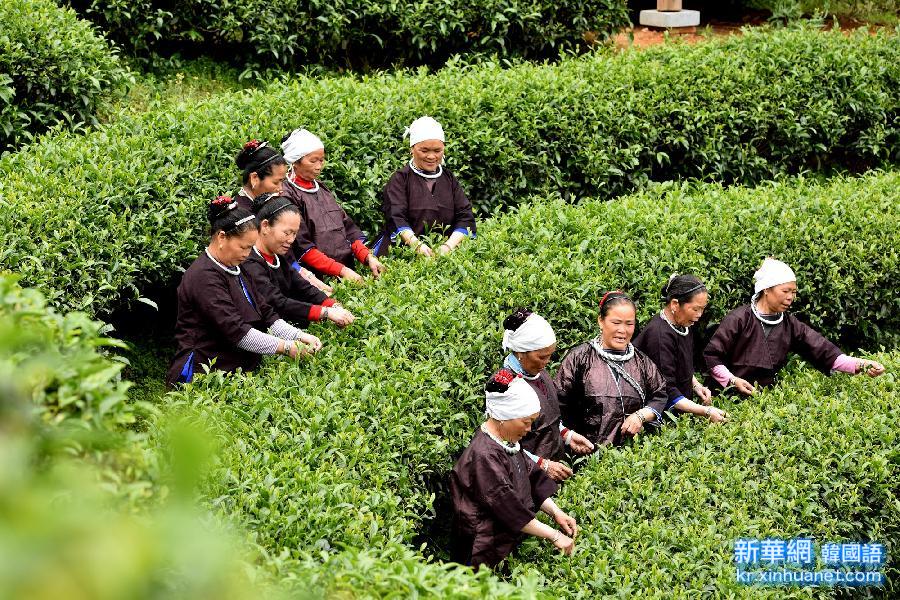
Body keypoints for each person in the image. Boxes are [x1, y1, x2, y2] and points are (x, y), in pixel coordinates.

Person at [166, 196, 322, 388]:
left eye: (250, 247)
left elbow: (267, 314)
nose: (248, 254)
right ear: (222, 237)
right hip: (205, 373)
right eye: (244, 247)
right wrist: (287, 347)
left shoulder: (239, 267)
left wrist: (298, 336)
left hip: (239, 369)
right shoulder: (203, 277)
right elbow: (237, 332)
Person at [450, 369, 578, 570]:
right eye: (526, 422)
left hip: (508, 540)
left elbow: (533, 479)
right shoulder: (484, 456)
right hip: (483, 549)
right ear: (504, 416)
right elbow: (508, 508)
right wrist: (554, 536)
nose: (528, 429)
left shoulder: (507, 443)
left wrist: (556, 512)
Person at [704, 258, 885, 395]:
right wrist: (733, 381)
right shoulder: (738, 319)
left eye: (793, 292)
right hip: (726, 396)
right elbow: (712, 356)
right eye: (785, 291)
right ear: (766, 289)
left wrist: (862, 364)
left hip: (763, 399)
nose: (791, 297)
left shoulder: (790, 324)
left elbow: (824, 352)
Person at [555, 291, 668, 447]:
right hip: (586, 453)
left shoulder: (642, 362)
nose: (623, 330)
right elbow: (558, 403)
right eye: (616, 323)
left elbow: (660, 395)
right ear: (601, 321)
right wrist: (569, 436)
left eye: (629, 324)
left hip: (633, 455)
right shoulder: (578, 358)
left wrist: (640, 416)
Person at [501, 308, 595, 481]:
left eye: (549, 356)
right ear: (521, 352)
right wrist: (541, 465)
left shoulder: (540, 374)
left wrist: (567, 436)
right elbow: (502, 445)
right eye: (542, 357)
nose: (546, 363)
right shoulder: (504, 386)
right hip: (524, 478)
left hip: (551, 471)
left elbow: (548, 418)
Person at [280, 128, 385, 282]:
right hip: (316, 278)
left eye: (321, 160)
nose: (319, 166)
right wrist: (342, 271)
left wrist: (368, 257)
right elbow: (302, 245)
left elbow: (347, 227)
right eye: (313, 160)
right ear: (295, 161)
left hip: (346, 272)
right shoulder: (287, 193)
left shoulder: (321, 187)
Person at [242, 193, 355, 329]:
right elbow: (277, 301)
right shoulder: (250, 262)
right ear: (265, 226)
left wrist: (333, 305)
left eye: (294, 233)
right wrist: (325, 312)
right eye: (287, 233)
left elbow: (303, 286)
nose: (291, 240)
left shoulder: (278, 257)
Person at [234, 139, 332, 295]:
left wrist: (309, 278)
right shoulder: (241, 217)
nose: (281, 189)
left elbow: (288, 259)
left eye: (283, 182)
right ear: (254, 178)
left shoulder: (269, 204)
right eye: (276, 182)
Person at [372, 116, 476, 257]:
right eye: (424, 150)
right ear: (412, 149)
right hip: (402, 253)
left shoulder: (449, 179)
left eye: (437, 150)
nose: (432, 156)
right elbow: (396, 217)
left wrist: (448, 247)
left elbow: (465, 216)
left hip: (444, 252)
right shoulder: (400, 179)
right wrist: (417, 245)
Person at [633, 275, 728, 423]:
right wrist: (706, 411)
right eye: (695, 309)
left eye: (702, 309)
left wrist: (696, 386)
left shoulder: (683, 324)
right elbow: (666, 390)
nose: (699, 315)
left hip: (681, 408)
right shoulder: (659, 336)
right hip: (661, 416)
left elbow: (682, 364)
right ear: (675, 304)